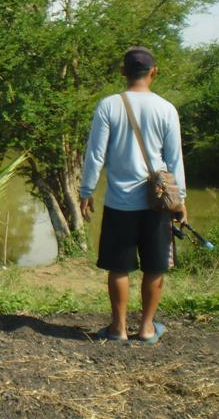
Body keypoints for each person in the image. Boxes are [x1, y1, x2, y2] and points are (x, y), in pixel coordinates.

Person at [80, 46, 186, 344]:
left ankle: (118, 329)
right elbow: (175, 159)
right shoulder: (166, 109)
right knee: (155, 267)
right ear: (154, 72)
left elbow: (95, 156)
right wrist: (182, 200)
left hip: (119, 203)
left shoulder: (108, 106)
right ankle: (148, 329)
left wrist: (87, 191)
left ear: (123, 72)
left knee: (119, 267)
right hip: (158, 203)